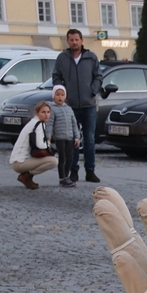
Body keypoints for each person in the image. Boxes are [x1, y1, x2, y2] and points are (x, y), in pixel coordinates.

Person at [52, 29, 103, 184]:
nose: (74, 42)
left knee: (89, 139)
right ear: (68, 41)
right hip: (70, 106)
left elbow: (98, 76)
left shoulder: (91, 57)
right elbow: (56, 76)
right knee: (72, 139)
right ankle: (73, 170)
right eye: (71, 40)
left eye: (76, 39)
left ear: (81, 41)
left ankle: (90, 171)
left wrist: (92, 90)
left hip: (88, 105)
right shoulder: (62, 58)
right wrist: (62, 92)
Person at [10, 101, 58, 189]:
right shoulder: (38, 124)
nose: (46, 115)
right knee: (53, 161)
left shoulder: (35, 122)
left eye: (48, 112)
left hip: (18, 161)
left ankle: (27, 178)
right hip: (19, 163)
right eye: (43, 112)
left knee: (51, 159)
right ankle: (25, 176)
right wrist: (48, 143)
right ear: (36, 113)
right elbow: (40, 145)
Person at [45, 85, 81, 188]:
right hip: (59, 138)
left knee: (70, 158)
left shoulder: (69, 109)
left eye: (62, 95)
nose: (60, 97)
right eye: (57, 95)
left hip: (69, 138)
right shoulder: (52, 109)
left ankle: (66, 176)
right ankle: (62, 178)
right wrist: (48, 137)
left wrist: (77, 137)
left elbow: (74, 124)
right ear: (53, 96)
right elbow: (49, 124)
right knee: (62, 158)